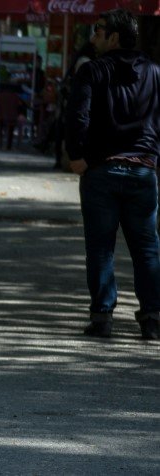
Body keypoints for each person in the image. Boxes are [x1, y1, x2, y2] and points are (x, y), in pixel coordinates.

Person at [65, 8, 160, 340]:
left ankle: (102, 317)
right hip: (143, 171)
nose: (93, 36)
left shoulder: (92, 71)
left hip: (101, 170)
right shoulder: (154, 72)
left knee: (101, 246)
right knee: (146, 247)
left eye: (99, 30)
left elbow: (77, 117)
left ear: (115, 37)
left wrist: (77, 156)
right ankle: (152, 318)